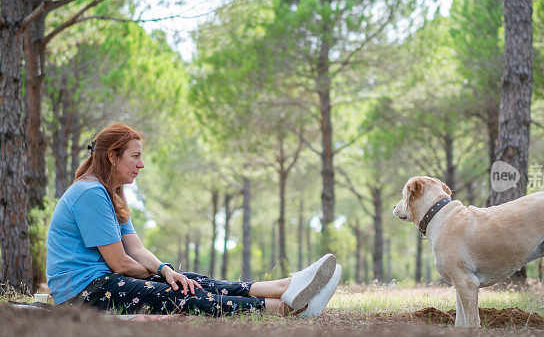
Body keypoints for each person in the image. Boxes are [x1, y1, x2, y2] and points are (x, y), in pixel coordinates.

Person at [46, 123, 341, 317]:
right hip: (84, 294)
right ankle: (287, 308)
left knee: (188, 282)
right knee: (185, 294)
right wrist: (162, 276)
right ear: (112, 156)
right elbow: (120, 263)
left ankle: (286, 287)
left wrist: (164, 269)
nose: (141, 164)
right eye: (135, 156)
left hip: (105, 282)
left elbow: (136, 250)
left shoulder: (110, 194)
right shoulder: (90, 194)